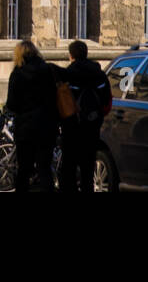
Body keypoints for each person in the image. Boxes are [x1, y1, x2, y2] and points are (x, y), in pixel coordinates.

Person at [5, 39, 59, 192]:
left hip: (25, 128)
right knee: (44, 169)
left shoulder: (17, 73)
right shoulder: (48, 70)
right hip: (47, 126)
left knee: (24, 169)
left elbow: (12, 103)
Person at [58, 39, 112, 192]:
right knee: (88, 170)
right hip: (92, 128)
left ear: (71, 55)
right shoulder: (100, 75)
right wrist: (98, 116)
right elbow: (107, 101)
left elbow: (61, 104)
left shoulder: (68, 74)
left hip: (72, 129)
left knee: (68, 170)